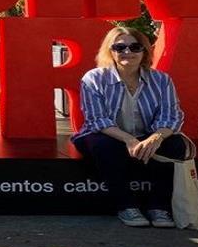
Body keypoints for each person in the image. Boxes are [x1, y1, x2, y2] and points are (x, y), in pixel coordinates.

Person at [71, 26, 189, 228]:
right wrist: (130, 140)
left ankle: (159, 208)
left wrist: (155, 138)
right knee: (105, 146)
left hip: (146, 135)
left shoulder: (161, 80)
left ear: (144, 51)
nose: (128, 52)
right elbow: (96, 120)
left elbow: (172, 116)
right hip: (106, 135)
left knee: (175, 144)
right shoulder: (94, 79)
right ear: (111, 51)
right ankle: (126, 206)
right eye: (120, 47)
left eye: (135, 47)